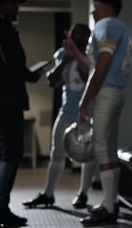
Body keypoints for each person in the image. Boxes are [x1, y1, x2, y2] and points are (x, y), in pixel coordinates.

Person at [65, 0, 132, 227]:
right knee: (109, 148)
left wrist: (84, 101)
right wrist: (75, 53)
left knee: (101, 149)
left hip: (106, 92)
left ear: (107, 8)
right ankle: (110, 202)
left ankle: (108, 208)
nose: (93, 12)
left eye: (96, 7)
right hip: (115, 92)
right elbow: (97, 65)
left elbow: (102, 67)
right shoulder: (124, 29)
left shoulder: (107, 24)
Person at [21, 23, 98, 210]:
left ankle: (83, 193)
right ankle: (48, 194)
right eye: (72, 34)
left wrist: (78, 55)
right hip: (66, 112)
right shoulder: (63, 55)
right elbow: (52, 81)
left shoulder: (91, 55)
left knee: (88, 154)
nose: (74, 38)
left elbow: (89, 75)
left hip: (86, 114)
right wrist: (67, 57)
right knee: (57, 153)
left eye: (77, 35)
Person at [0, 0, 44, 227]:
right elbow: (14, 63)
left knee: (1, 153)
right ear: (1, 6)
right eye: (13, 5)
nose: (17, 9)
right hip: (6, 102)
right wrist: (32, 75)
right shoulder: (3, 30)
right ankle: (1, 208)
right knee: (11, 152)